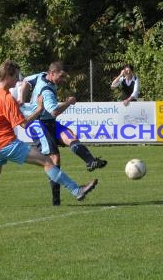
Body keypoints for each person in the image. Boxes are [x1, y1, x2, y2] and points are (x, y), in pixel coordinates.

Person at [0, 60, 98, 209]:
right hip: (7, 144)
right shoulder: (7, 98)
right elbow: (24, 124)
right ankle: (77, 190)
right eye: (16, 76)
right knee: (47, 161)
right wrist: (38, 109)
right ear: (8, 76)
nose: (18, 80)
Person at [19, 61, 107, 206]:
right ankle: (56, 200)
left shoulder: (41, 76)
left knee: (70, 136)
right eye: (60, 77)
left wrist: (22, 98)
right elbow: (54, 111)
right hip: (38, 123)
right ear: (52, 73)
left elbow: (26, 81)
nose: (62, 80)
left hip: (49, 122)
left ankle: (90, 161)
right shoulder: (46, 91)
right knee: (54, 157)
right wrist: (68, 102)